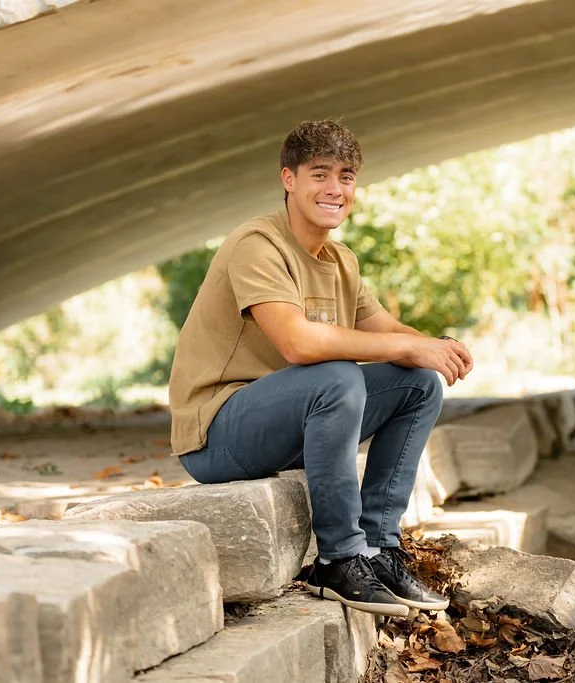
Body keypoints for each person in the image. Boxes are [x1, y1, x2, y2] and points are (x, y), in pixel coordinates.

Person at [168, 120, 474, 618]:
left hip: (281, 425)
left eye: (347, 176)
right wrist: (406, 346)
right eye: (320, 174)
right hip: (216, 436)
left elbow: (384, 329)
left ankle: (378, 550)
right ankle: (339, 559)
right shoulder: (257, 244)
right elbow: (297, 342)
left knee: (416, 383)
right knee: (336, 375)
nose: (335, 188)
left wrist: (437, 347)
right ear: (289, 179)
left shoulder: (340, 260)